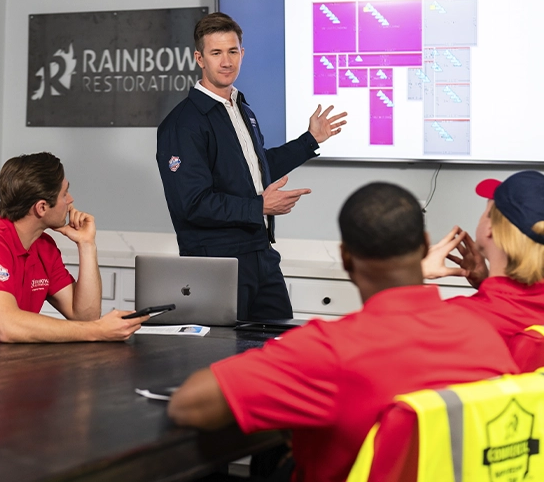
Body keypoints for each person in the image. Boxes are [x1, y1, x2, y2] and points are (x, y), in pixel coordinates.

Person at [167, 182, 517, 482]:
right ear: (425, 246)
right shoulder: (485, 336)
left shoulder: (326, 351)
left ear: (346, 258)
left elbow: (189, 406)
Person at [156, 12, 347, 321]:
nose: (226, 61)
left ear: (242, 54)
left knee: (279, 345)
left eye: (232, 51)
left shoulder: (241, 108)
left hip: (260, 253)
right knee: (222, 355)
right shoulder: (183, 124)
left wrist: (309, 140)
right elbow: (192, 203)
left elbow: (257, 169)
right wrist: (258, 206)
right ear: (199, 58)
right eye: (216, 53)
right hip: (216, 261)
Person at [0, 152, 148, 346]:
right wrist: (99, 331)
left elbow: (85, 317)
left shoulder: (44, 246)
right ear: (41, 207)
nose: (71, 200)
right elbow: (6, 326)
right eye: (64, 194)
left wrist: (87, 245)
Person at [423, 170, 544, 343]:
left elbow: (382, 338)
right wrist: (485, 285)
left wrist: (414, 274)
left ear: (491, 229)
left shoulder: (453, 318)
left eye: (486, 209)